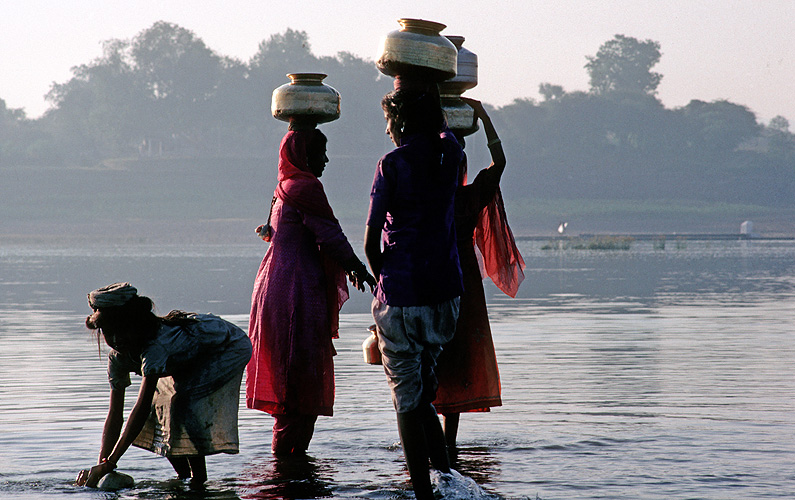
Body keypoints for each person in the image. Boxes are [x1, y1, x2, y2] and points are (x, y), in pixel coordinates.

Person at [247, 127, 375, 456]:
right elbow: (329, 235)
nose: (326, 160)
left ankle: (290, 470)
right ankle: (289, 469)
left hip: (275, 289)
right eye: (320, 153)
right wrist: (358, 267)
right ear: (304, 156)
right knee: (297, 385)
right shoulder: (305, 187)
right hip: (295, 294)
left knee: (290, 385)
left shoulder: (284, 188)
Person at [364, 86, 464, 500]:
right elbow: (447, 132)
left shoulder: (392, 164)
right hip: (445, 296)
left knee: (406, 395)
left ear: (401, 122)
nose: (386, 129)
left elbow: (371, 244)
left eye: (389, 120)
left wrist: (384, 284)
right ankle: (447, 478)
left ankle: (422, 493)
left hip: (402, 294)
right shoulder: (451, 154)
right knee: (423, 385)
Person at [76, 282, 252, 487]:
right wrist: (102, 467)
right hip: (186, 356)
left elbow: (140, 409)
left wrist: (112, 461)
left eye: (122, 331)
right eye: (109, 332)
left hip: (226, 346)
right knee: (158, 411)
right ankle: (183, 475)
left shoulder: (155, 346)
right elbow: (115, 414)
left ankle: (198, 480)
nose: (117, 339)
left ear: (136, 325)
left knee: (180, 404)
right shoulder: (118, 358)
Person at [433, 97, 526, 454]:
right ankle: (447, 441)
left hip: (438, 272)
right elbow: (500, 162)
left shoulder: (434, 197)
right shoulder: (469, 197)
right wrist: (485, 118)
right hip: (464, 279)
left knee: (436, 354)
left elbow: (499, 164)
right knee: (454, 354)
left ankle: (431, 438)